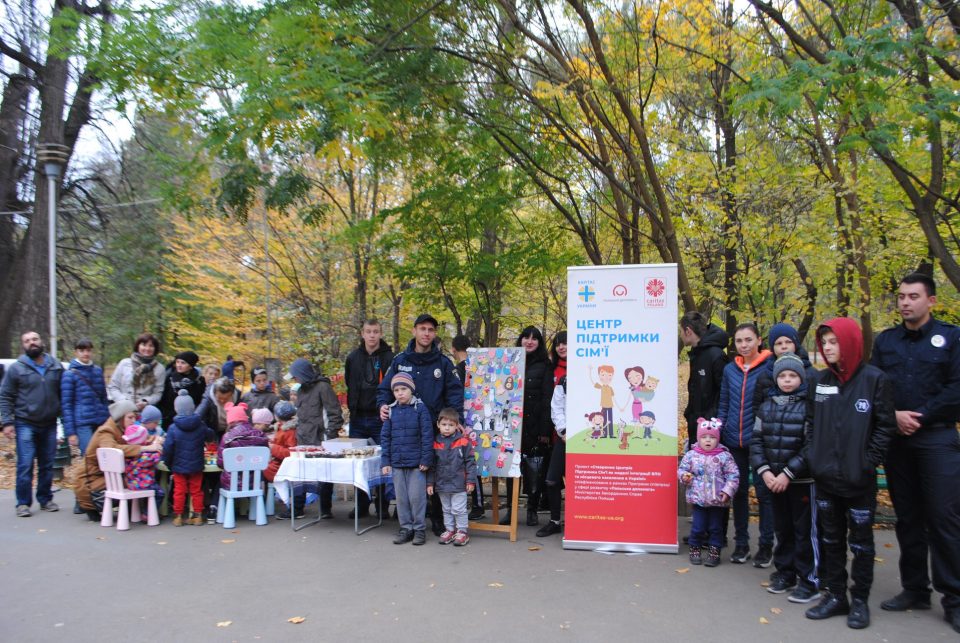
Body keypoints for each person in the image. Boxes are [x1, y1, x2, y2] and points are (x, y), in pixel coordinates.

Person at [871, 273, 960, 632]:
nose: (905, 302)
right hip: (897, 439)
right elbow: (876, 385)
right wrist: (892, 416)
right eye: (901, 296)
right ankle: (915, 588)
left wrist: (919, 417)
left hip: (937, 439)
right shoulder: (887, 341)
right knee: (907, 517)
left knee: (944, 518)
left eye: (913, 296)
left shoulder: (951, 338)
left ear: (931, 301)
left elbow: (956, 389)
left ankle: (953, 597)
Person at [802, 318, 896, 629]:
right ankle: (835, 595)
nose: (828, 348)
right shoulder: (819, 381)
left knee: (861, 544)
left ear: (851, 342)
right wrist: (814, 456)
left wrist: (869, 461)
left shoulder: (874, 380)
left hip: (859, 479)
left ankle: (859, 601)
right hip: (825, 477)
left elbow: (884, 426)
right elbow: (811, 423)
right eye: (824, 343)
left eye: (834, 342)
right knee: (831, 540)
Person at [377, 313, 463, 534]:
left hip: (435, 427)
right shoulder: (399, 361)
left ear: (435, 334)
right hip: (404, 429)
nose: (426, 333)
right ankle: (407, 518)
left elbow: (454, 393)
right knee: (407, 471)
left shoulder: (443, 363)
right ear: (414, 331)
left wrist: (456, 419)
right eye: (422, 329)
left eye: (431, 330)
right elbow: (385, 390)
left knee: (437, 471)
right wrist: (383, 406)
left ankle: (437, 517)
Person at [750, 353, 819, 604]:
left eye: (792, 376)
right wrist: (765, 471)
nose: (787, 380)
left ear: (801, 378)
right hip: (773, 480)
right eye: (782, 375)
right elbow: (756, 441)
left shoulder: (808, 407)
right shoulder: (766, 407)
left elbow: (810, 446)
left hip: (799, 481)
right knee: (783, 528)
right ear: (776, 378)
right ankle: (784, 572)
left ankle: (809, 579)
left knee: (804, 531)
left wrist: (788, 473)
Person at [717, 322, 774, 564]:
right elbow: (724, 403)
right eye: (739, 341)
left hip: (759, 442)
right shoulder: (731, 369)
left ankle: (766, 546)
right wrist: (720, 429)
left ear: (759, 340)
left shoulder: (770, 368)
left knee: (764, 494)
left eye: (748, 340)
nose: (744, 345)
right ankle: (741, 544)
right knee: (737, 492)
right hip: (733, 440)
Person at [0, 331, 64, 517]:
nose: (32, 343)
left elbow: (64, 394)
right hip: (25, 423)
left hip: (50, 423)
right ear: (24, 346)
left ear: (41, 341)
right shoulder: (17, 368)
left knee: (47, 464)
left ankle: (45, 499)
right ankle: (23, 503)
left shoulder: (55, 366)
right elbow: (6, 396)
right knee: (25, 464)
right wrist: (7, 422)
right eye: (27, 341)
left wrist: (64, 423)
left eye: (35, 339)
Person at [75, 400, 163, 521]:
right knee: (136, 480)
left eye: (135, 417)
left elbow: (140, 438)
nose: (133, 421)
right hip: (91, 479)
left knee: (136, 476)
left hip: (106, 475)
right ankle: (89, 505)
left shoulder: (123, 428)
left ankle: (136, 510)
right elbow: (112, 449)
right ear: (121, 417)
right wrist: (144, 448)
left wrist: (156, 440)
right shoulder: (106, 431)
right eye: (130, 417)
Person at [344, 319, 393, 518]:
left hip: (379, 418)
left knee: (382, 461)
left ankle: (382, 506)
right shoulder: (352, 358)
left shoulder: (389, 358)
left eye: (375, 331)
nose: (372, 335)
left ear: (380, 334)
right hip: (357, 418)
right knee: (358, 463)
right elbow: (349, 382)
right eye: (368, 331)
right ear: (362, 334)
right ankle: (361, 505)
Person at [678, 417, 740, 567]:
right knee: (698, 527)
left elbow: (733, 475)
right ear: (699, 438)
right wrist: (684, 477)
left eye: (712, 437)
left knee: (715, 528)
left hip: (718, 500)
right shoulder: (692, 455)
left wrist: (728, 490)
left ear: (717, 439)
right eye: (704, 437)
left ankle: (714, 552)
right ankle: (695, 548)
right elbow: (682, 470)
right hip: (698, 499)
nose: (708, 440)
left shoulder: (724, 456)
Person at [381, 372, 433, 545]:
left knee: (417, 498)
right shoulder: (391, 411)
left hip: (416, 464)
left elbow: (427, 435)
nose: (400, 393)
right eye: (396, 390)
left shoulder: (420, 409)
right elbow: (385, 437)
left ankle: (419, 529)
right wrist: (385, 461)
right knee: (401, 498)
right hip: (397, 463)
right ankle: (406, 528)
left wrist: (426, 459)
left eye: (403, 389)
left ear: (411, 389)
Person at [287, 358, 343, 518]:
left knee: (325, 475)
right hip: (303, 440)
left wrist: (329, 435)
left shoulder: (323, 388)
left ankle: (325, 509)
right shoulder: (300, 390)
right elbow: (302, 416)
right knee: (300, 474)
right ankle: (297, 509)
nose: (294, 380)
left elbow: (335, 413)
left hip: (322, 440)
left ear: (303, 374)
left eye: (295, 376)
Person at [60, 338, 110, 513]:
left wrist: (108, 421)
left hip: (100, 421)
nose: (86, 353)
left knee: (102, 459)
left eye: (88, 350)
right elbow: (66, 405)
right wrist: (70, 432)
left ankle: (97, 497)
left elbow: (104, 398)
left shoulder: (97, 371)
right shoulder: (70, 374)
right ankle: (81, 499)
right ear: (76, 352)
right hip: (82, 422)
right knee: (88, 460)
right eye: (82, 350)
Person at [163, 390, 215, 526]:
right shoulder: (200, 425)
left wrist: (168, 463)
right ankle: (197, 515)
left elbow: (168, 448)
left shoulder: (173, 428)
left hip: (178, 466)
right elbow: (210, 436)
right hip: (196, 465)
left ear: (176, 409)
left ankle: (178, 516)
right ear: (192, 407)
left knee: (179, 491)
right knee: (196, 491)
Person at [428, 407, 477, 546]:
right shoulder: (435, 442)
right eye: (444, 425)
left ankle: (462, 531)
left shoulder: (463, 441)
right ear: (438, 425)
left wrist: (471, 481)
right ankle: (450, 530)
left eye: (451, 425)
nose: (447, 428)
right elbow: (432, 466)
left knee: (458, 509)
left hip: (459, 483)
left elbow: (470, 463)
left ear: (457, 426)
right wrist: (430, 484)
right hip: (442, 484)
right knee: (447, 509)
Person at [681, 312, 729, 451]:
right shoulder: (697, 353)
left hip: (710, 429)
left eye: (681, 331)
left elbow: (724, 393)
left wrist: (710, 420)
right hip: (697, 423)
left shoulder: (716, 355)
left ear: (688, 331)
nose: (681, 335)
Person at [451, 333, 484, 520]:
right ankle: (476, 504)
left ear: (453, 349)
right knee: (474, 463)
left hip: (464, 421)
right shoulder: (478, 367)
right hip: (481, 420)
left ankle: (477, 505)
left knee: (469, 463)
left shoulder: (457, 370)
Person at [538, 330, 568, 538]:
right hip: (559, 433)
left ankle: (581, 520)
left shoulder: (586, 368)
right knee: (551, 479)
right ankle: (555, 521)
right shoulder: (551, 369)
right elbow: (553, 403)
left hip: (587, 435)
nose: (561, 347)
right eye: (558, 344)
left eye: (565, 343)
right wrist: (561, 429)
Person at [217, 402, 269, 491]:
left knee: (220, 480)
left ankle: (216, 504)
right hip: (255, 483)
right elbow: (266, 458)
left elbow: (221, 463)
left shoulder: (227, 437)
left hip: (232, 483)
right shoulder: (261, 435)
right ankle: (257, 503)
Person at [107, 332, 166, 410]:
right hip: (122, 408)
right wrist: (124, 400)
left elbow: (158, 393)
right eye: (144, 345)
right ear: (138, 346)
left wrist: (146, 402)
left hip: (144, 411)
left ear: (155, 349)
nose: (147, 349)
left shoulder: (159, 368)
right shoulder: (124, 363)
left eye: (151, 346)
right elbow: (113, 387)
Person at [265, 401, 301, 519]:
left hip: (283, 465)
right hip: (279, 462)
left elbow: (290, 452)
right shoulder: (282, 428)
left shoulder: (289, 431)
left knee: (263, 470)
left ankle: (267, 500)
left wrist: (273, 448)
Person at [159, 350, 206, 427]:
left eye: (183, 363)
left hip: (189, 419)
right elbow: (163, 399)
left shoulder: (199, 381)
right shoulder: (170, 378)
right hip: (169, 419)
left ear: (191, 366)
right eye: (178, 362)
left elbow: (200, 401)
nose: (179, 365)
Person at [121, 424, 162, 503]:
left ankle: (142, 510)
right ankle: (146, 513)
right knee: (160, 493)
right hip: (143, 485)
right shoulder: (144, 457)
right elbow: (157, 457)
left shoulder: (128, 454)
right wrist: (157, 446)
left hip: (130, 484)